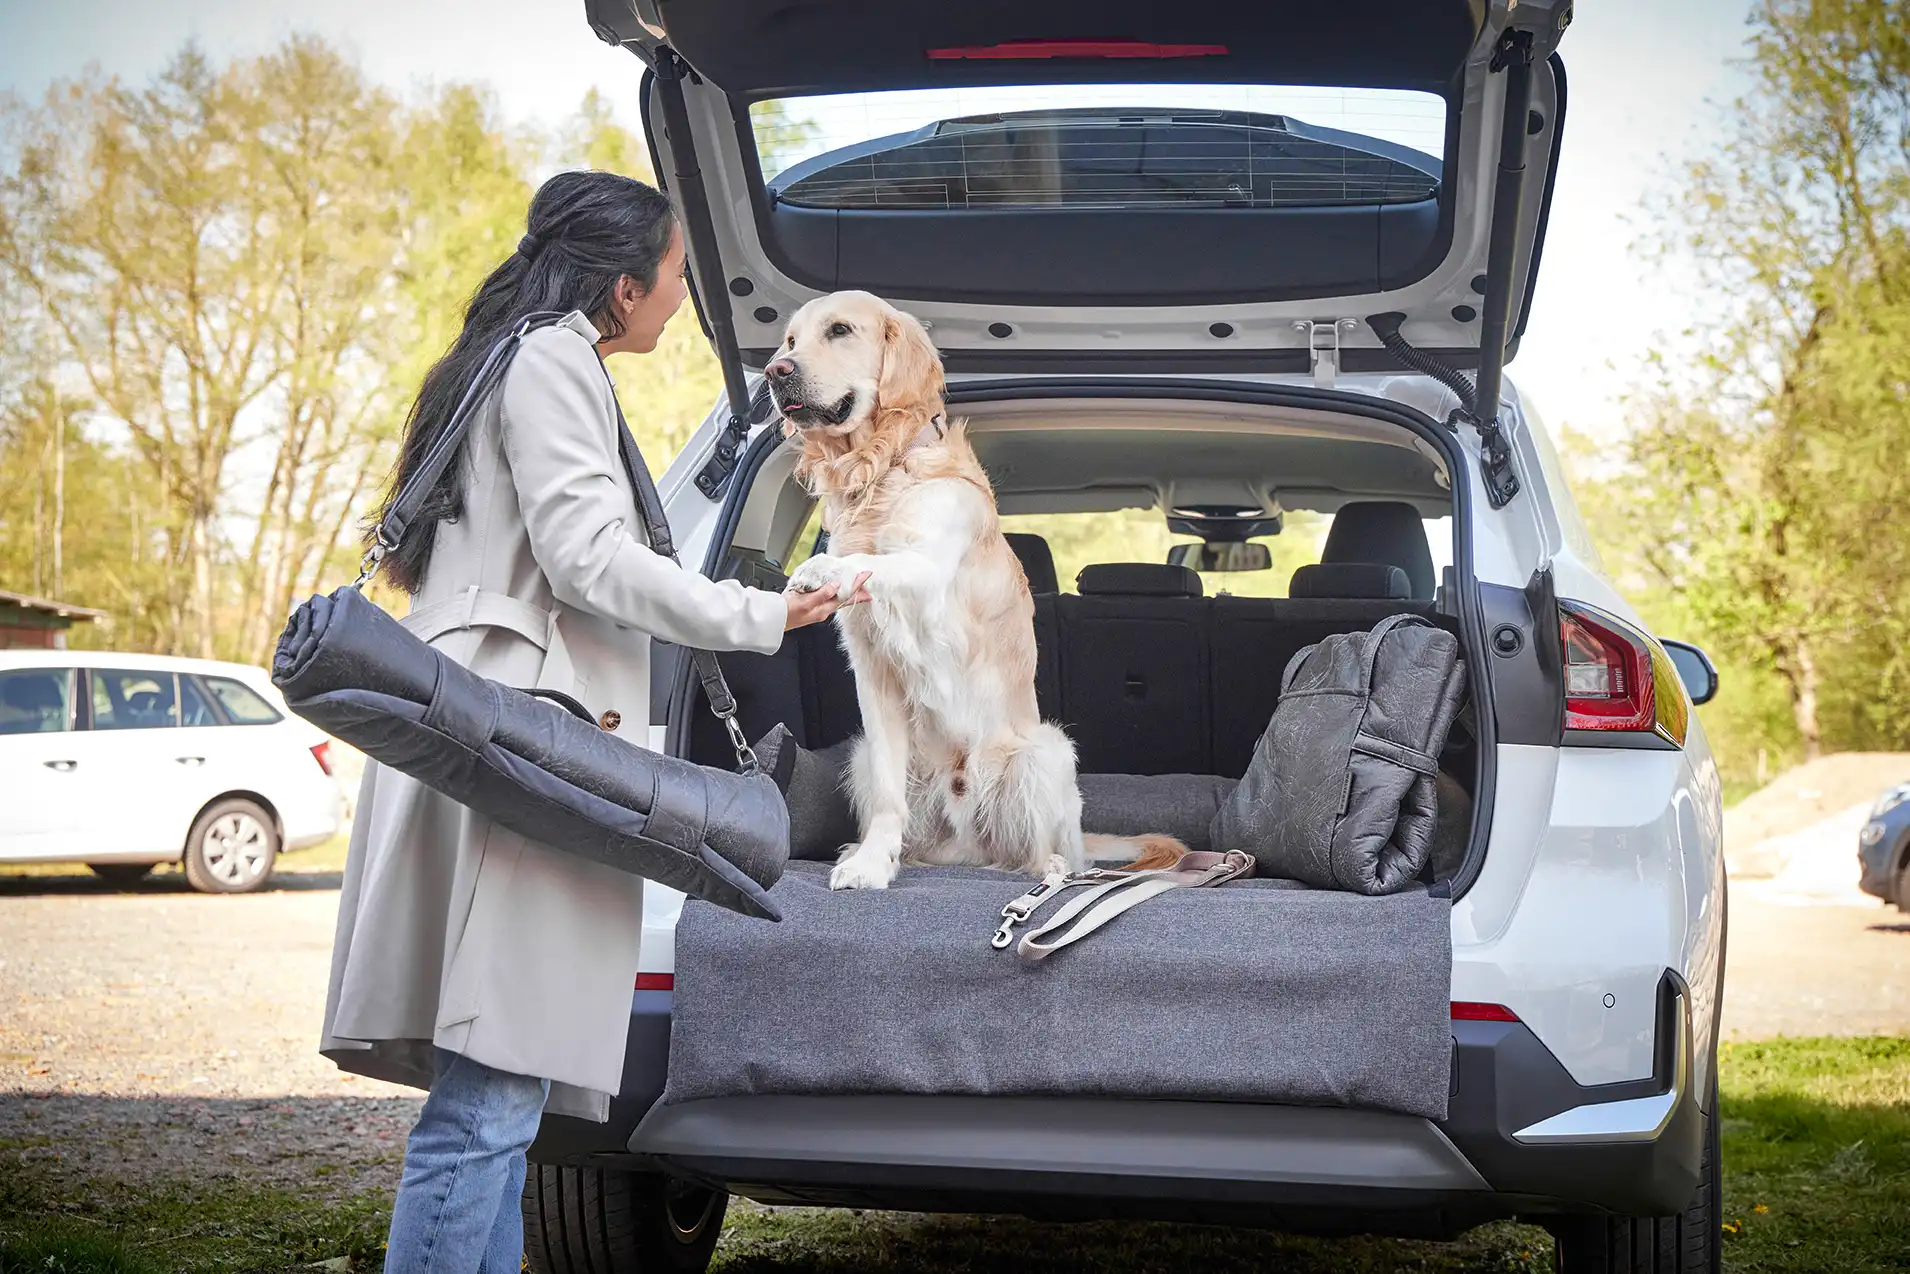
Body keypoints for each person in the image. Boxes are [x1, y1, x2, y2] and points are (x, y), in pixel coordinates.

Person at [318, 170, 863, 1274]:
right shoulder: (554, 358)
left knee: (500, 1095)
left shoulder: (510, 357)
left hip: (500, 736)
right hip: (525, 748)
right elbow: (590, 558)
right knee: (488, 1098)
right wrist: (766, 607)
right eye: (671, 278)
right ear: (621, 288)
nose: (680, 300)